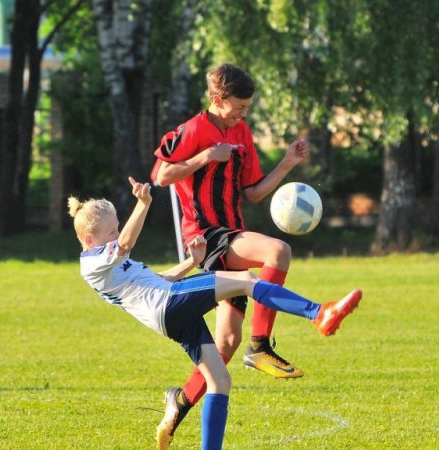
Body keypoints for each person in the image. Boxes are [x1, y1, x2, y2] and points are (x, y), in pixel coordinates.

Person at [70, 177, 362, 450]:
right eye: (110, 231)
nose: (117, 234)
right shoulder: (93, 262)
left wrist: (191, 261)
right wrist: (143, 204)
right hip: (168, 304)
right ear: (89, 240)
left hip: (167, 312)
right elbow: (125, 244)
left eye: (117, 227)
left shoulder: (110, 261)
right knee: (246, 281)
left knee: (220, 381)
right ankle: (319, 313)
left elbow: (159, 278)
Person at [150, 63, 326, 443]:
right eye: (238, 107)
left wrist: (288, 162)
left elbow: (254, 193)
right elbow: (162, 176)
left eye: (247, 108)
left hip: (232, 233)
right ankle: (260, 347)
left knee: (224, 344)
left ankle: (178, 401)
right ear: (217, 99)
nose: (243, 114)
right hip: (207, 235)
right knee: (277, 251)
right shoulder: (194, 129)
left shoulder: (241, 131)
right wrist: (204, 158)